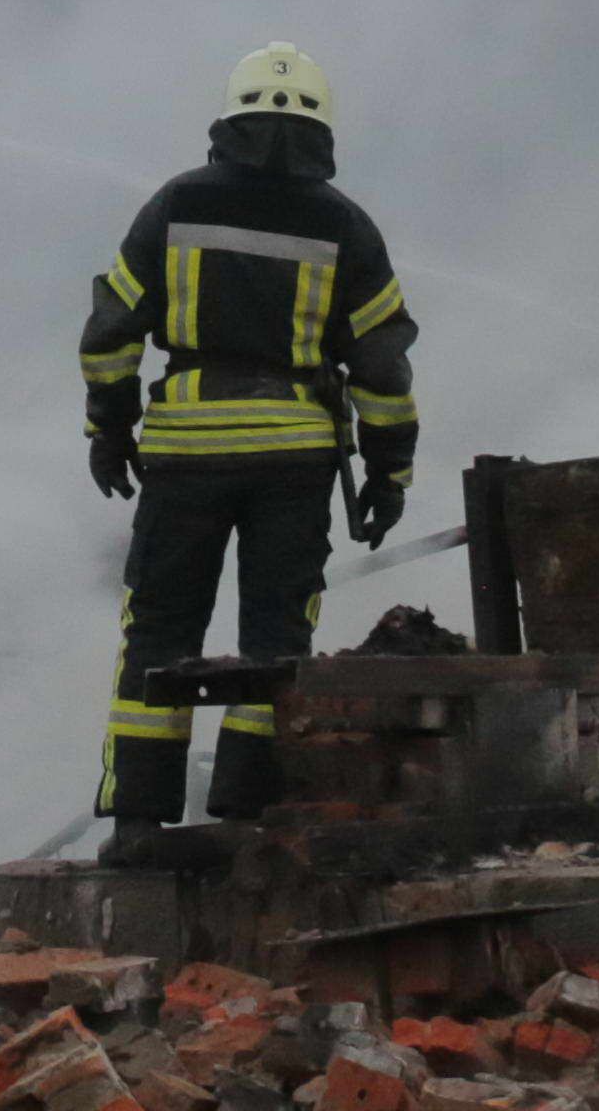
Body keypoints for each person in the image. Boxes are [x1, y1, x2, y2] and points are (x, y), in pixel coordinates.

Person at [76, 44, 420, 861]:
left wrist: (110, 428)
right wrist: (388, 471)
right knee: (275, 638)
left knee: (159, 631)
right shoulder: (345, 224)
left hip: (185, 456)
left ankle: (137, 820)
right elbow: (381, 365)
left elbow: (111, 331)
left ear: (230, 118)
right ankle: (246, 808)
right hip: (294, 461)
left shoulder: (176, 204)